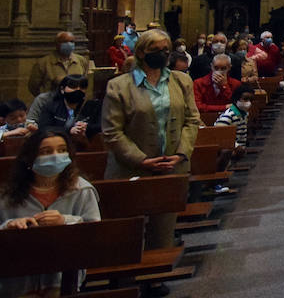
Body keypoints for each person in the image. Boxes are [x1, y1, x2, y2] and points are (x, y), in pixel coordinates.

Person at [1, 129, 101, 298]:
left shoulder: (81, 190)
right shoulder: (8, 195)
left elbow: (95, 231)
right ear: (30, 158)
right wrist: (9, 226)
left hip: (62, 275)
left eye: (62, 150)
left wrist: (65, 220)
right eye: (46, 152)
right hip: (18, 279)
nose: (55, 156)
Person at [101, 30, 200, 249]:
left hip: (171, 166)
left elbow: (192, 120)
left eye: (165, 50)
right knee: (126, 233)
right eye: (154, 50)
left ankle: (155, 282)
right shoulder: (119, 86)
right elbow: (112, 132)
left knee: (163, 228)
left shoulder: (181, 81)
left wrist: (181, 154)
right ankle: (126, 279)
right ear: (141, 52)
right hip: (132, 168)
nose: (162, 54)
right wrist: (141, 160)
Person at [28, 75, 98, 146]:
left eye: (82, 87)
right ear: (62, 89)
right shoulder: (51, 106)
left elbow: (100, 126)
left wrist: (86, 128)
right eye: (73, 86)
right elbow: (44, 128)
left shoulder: (92, 106)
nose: (78, 89)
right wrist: (69, 131)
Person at [28, 31, 90, 98]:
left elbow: (84, 82)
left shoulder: (81, 60)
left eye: (72, 42)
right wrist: (45, 100)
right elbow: (33, 86)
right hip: (52, 103)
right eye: (65, 42)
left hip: (74, 103)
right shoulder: (43, 63)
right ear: (57, 44)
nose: (69, 44)